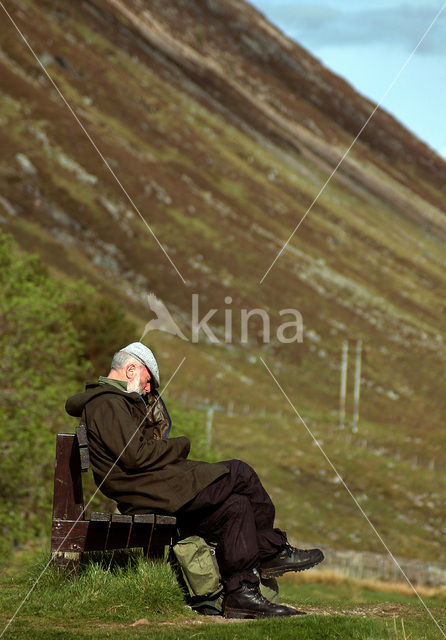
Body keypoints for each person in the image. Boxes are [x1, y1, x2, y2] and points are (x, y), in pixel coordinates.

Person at [66, 342, 324, 618]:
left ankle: (241, 595)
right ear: (131, 370)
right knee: (240, 472)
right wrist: (180, 445)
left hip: (151, 486)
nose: (149, 388)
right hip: (146, 491)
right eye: (148, 379)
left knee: (236, 506)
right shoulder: (107, 403)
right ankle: (272, 552)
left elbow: (135, 450)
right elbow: (134, 455)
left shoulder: (115, 402)